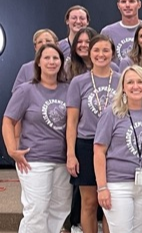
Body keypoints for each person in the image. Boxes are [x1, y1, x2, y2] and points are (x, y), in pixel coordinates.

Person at [3, 44, 71, 233]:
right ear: (38, 62)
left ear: (61, 62)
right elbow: (8, 120)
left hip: (62, 161)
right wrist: (11, 150)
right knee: (36, 211)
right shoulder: (26, 90)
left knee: (59, 210)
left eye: (55, 58)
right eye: (47, 58)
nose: (51, 62)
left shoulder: (69, 89)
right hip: (34, 160)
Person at [93, 65, 142, 232]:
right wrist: (102, 188)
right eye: (130, 82)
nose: (135, 86)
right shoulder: (112, 113)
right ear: (123, 87)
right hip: (118, 184)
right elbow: (99, 151)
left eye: (140, 82)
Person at [67, 35, 121, 233]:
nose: (101, 54)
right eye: (96, 50)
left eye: (106, 50)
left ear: (112, 53)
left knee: (110, 204)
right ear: (89, 53)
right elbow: (71, 122)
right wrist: (71, 154)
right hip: (86, 144)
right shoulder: (78, 82)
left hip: (115, 146)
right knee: (89, 202)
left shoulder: (121, 80)